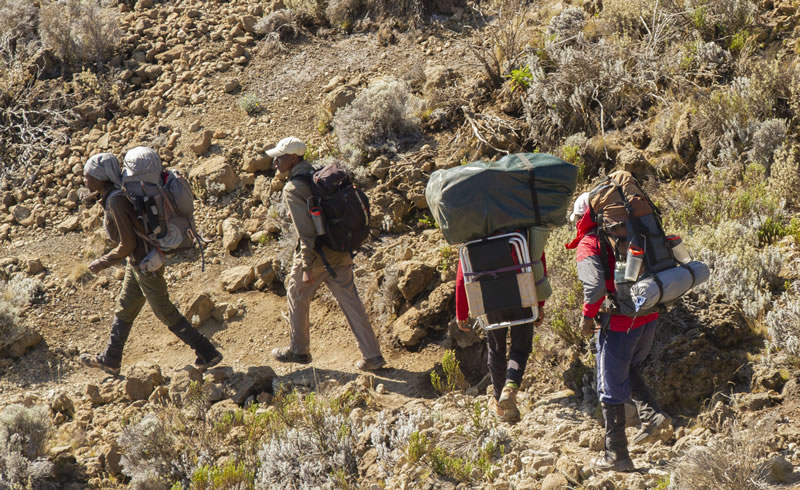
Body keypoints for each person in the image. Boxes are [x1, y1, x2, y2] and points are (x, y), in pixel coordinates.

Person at [79, 151, 222, 376]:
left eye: (87, 176)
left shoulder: (116, 200)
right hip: (137, 262)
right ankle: (111, 359)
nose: (84, 180)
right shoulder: (113, 196)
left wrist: (102, 262)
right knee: (125, 307)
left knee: (164, 311)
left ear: (100, 178)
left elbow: (127, 244)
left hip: (145, 264)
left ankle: (207, 351)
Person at [566, 192, 672, 472]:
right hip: (648, 312)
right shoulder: (634, 232)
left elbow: (595, 288)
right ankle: (651, 414)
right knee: (628, 368)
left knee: (609, 388)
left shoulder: (589, 243)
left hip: (619, 323)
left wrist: (587, 318)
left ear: (583, 217)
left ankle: (618, 456)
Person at [268, 137, 385, 371]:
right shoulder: (318, 176)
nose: (275, 163)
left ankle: (299, 350)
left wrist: (305, 265)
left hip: (318, 256)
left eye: (279, 157)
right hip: (341, 249)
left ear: (293, 158)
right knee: (351, 301)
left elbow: (306, 233)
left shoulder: (293, 188)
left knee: (296, 293)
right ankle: (372, 356)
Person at [455, 230, 549, 423]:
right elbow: (537, 261)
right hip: (521, 292)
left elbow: (462, 273)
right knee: (520, 348)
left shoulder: (473, 234)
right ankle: (510, 387)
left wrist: (462, 311)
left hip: (489, 297)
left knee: (496, 348)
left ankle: (499, 402)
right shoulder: (519, 228)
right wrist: (539, 303)